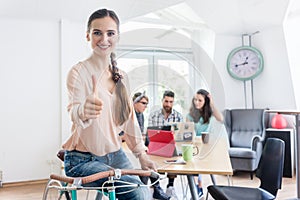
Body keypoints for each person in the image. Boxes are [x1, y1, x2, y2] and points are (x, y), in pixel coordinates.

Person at [62, 8, 156, 200]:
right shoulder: (78, 72)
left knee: (145, 193)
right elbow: (74, 110)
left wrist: (141, 154)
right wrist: (83, 111)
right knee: (137, 194)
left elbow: (130, 119)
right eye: (97, 32)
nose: (104, 39)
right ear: (88, 36)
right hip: (81, 160)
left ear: (117, 37)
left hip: (115, 154)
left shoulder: (121, 77)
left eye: (110, 33)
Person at [133, 92, 171, 200]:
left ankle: (150, 189)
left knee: (151, 158)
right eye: (143, 103)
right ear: (135, 103)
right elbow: (121, 135)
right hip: (128, 147)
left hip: (138, 144)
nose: (145, 106)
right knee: (146, 162)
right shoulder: (129, 114)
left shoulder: (140, 115)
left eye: (147, 104)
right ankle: (154, 189)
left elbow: (139, 132)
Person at [186, 89, 223, 199]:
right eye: (195, 100)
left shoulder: (210, 113)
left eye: (200, 100)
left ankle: (198, 187)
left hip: (209, 144)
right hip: (196, 144)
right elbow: (188, 131)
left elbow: (220, 118)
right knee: (193, 160)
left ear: (205, 101)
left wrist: (212, 103)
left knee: (199, 159)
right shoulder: (190, 114)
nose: (196, 102)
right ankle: (198, 187)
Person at [148, 90, 183, 200]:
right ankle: (156, 188)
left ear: (173, 102)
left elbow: (180, 135)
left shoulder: (178, 116)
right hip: (156, 144)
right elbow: (150, 134)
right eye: (166, 101)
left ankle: (170, 186)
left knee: (175, 157)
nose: (168, 104)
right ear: (162, 100)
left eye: (171, 102)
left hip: (173, 145)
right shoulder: (153, 115)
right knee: (151, 161)